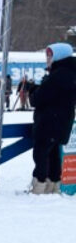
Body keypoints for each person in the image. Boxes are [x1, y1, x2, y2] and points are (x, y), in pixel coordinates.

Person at [30, 42, 76, 194]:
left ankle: (40, 185)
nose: (47, 58)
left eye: (50, 55)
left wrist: (33, 89)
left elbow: (38, 99)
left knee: (41, 154)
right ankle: (53, 185)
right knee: (53, 154)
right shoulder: (69, 72)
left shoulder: (58, 75)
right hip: (61, 123)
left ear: (59, 56)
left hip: (50, 122)